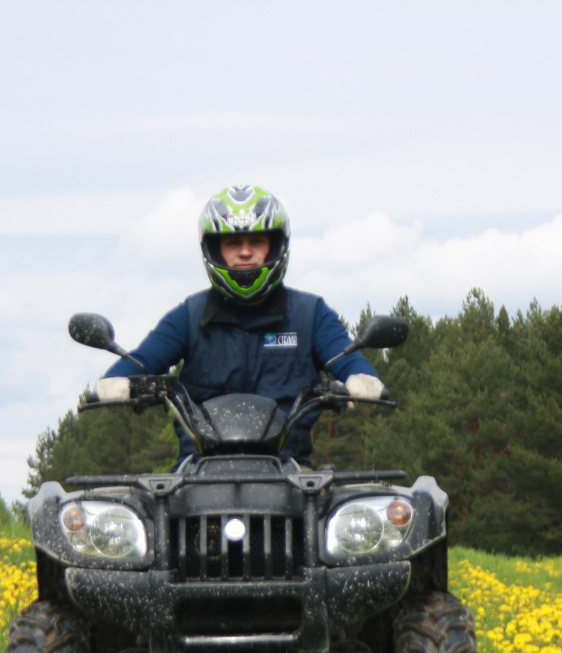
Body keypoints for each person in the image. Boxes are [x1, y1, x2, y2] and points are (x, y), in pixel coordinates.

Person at [94, 185, 385, 467]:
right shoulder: (190, 316)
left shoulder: (311, 314)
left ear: (275, 245)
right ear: (215, 250)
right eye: (233, 243)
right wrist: (118, 380)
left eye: (256, 242)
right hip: (196, 470)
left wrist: (361, 377)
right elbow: (143, 361)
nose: (245, 252)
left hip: (291, 472)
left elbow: (347, 358)